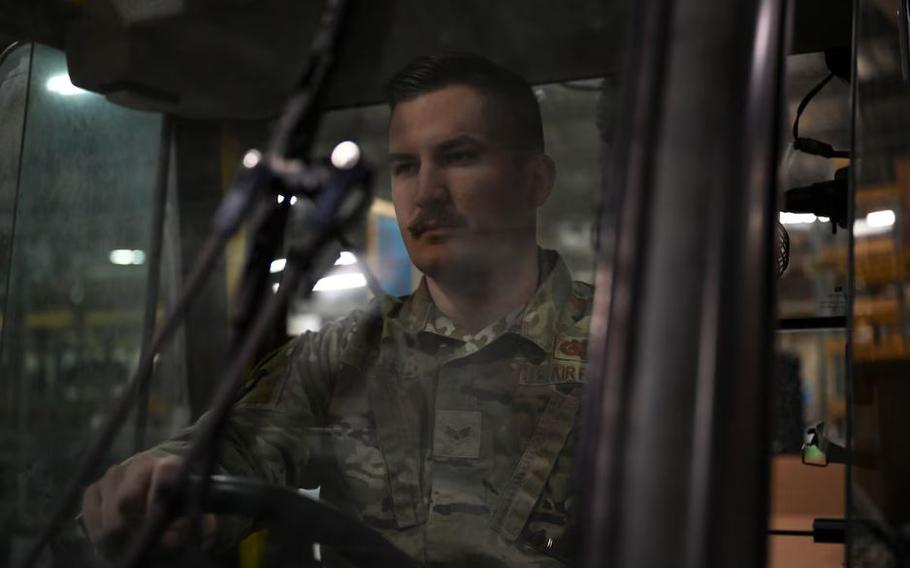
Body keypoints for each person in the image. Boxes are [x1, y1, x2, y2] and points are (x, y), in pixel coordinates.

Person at [81, 53, 593, 567]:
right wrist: (156, 481)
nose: (426, 194)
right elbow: (240, 444)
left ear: (535, 182)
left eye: (459, 157)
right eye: (406, 166)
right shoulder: (346, 354)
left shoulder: (622, 349)